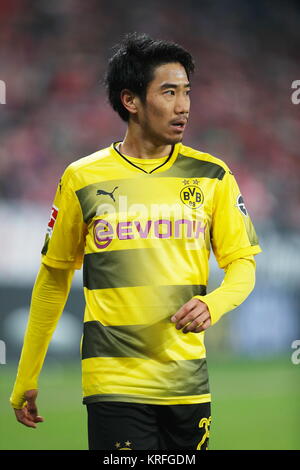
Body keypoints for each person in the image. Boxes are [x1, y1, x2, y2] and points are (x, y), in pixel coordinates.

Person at [10, 33, 262, 451]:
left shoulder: (213, 175)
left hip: (188, 385)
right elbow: (53, 278)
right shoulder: (82, 178)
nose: (183, 106)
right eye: (168, 92)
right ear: (131, 101)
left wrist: (213, 304)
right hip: (114, 384)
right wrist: (27, 376)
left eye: (186, 93)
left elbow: (243, 265)